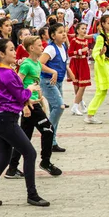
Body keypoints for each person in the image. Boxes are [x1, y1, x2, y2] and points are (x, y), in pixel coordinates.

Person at [0, 38, 49, 207]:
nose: (15, 52)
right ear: (1, 54)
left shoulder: (5, 71)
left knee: (3, 160)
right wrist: (30, 90)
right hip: (6, 120)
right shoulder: (6, 73)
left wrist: (26, 101)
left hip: (1, 118)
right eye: (10, 50)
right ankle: (32, 195)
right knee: (30, 153)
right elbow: (21, 95)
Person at [6, 36, 62, 179]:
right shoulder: (27, 64)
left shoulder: (36, 64)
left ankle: (12, 168)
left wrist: (42, 101)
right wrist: (24, 103)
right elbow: (18, 83)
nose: (42, 47)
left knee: (24, 138)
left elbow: (39, 78)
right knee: (48, 130)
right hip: (29, 105)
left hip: (36, 103)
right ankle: (46, 162)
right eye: (39, 45)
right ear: (31, 48)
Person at [39, 23, 70, 151]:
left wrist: (69, 72)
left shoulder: (63, 46)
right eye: (60, 32)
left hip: (58, 82)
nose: (63, 34)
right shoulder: (50, 49)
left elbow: (62, 63)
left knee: (55, 111)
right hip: (48, 81)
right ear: (52, 35)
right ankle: (46, 131)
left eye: (64, 31)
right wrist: (53, 72)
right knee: (59, 106)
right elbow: (39, 64)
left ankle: (52, 142)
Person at [68, 23, 90, 116]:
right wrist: (81, 51)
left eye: (85, 28)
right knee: (77, 86)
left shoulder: (85, 40)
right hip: (76, 63)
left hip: (83, 63)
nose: (84, 30)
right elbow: (70, 53)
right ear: (77, 30)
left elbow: (85, 53)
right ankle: (77, 105)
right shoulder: (74, 41)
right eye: (82, 28)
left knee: (83, 85)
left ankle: (78, 105)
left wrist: (86, 52)